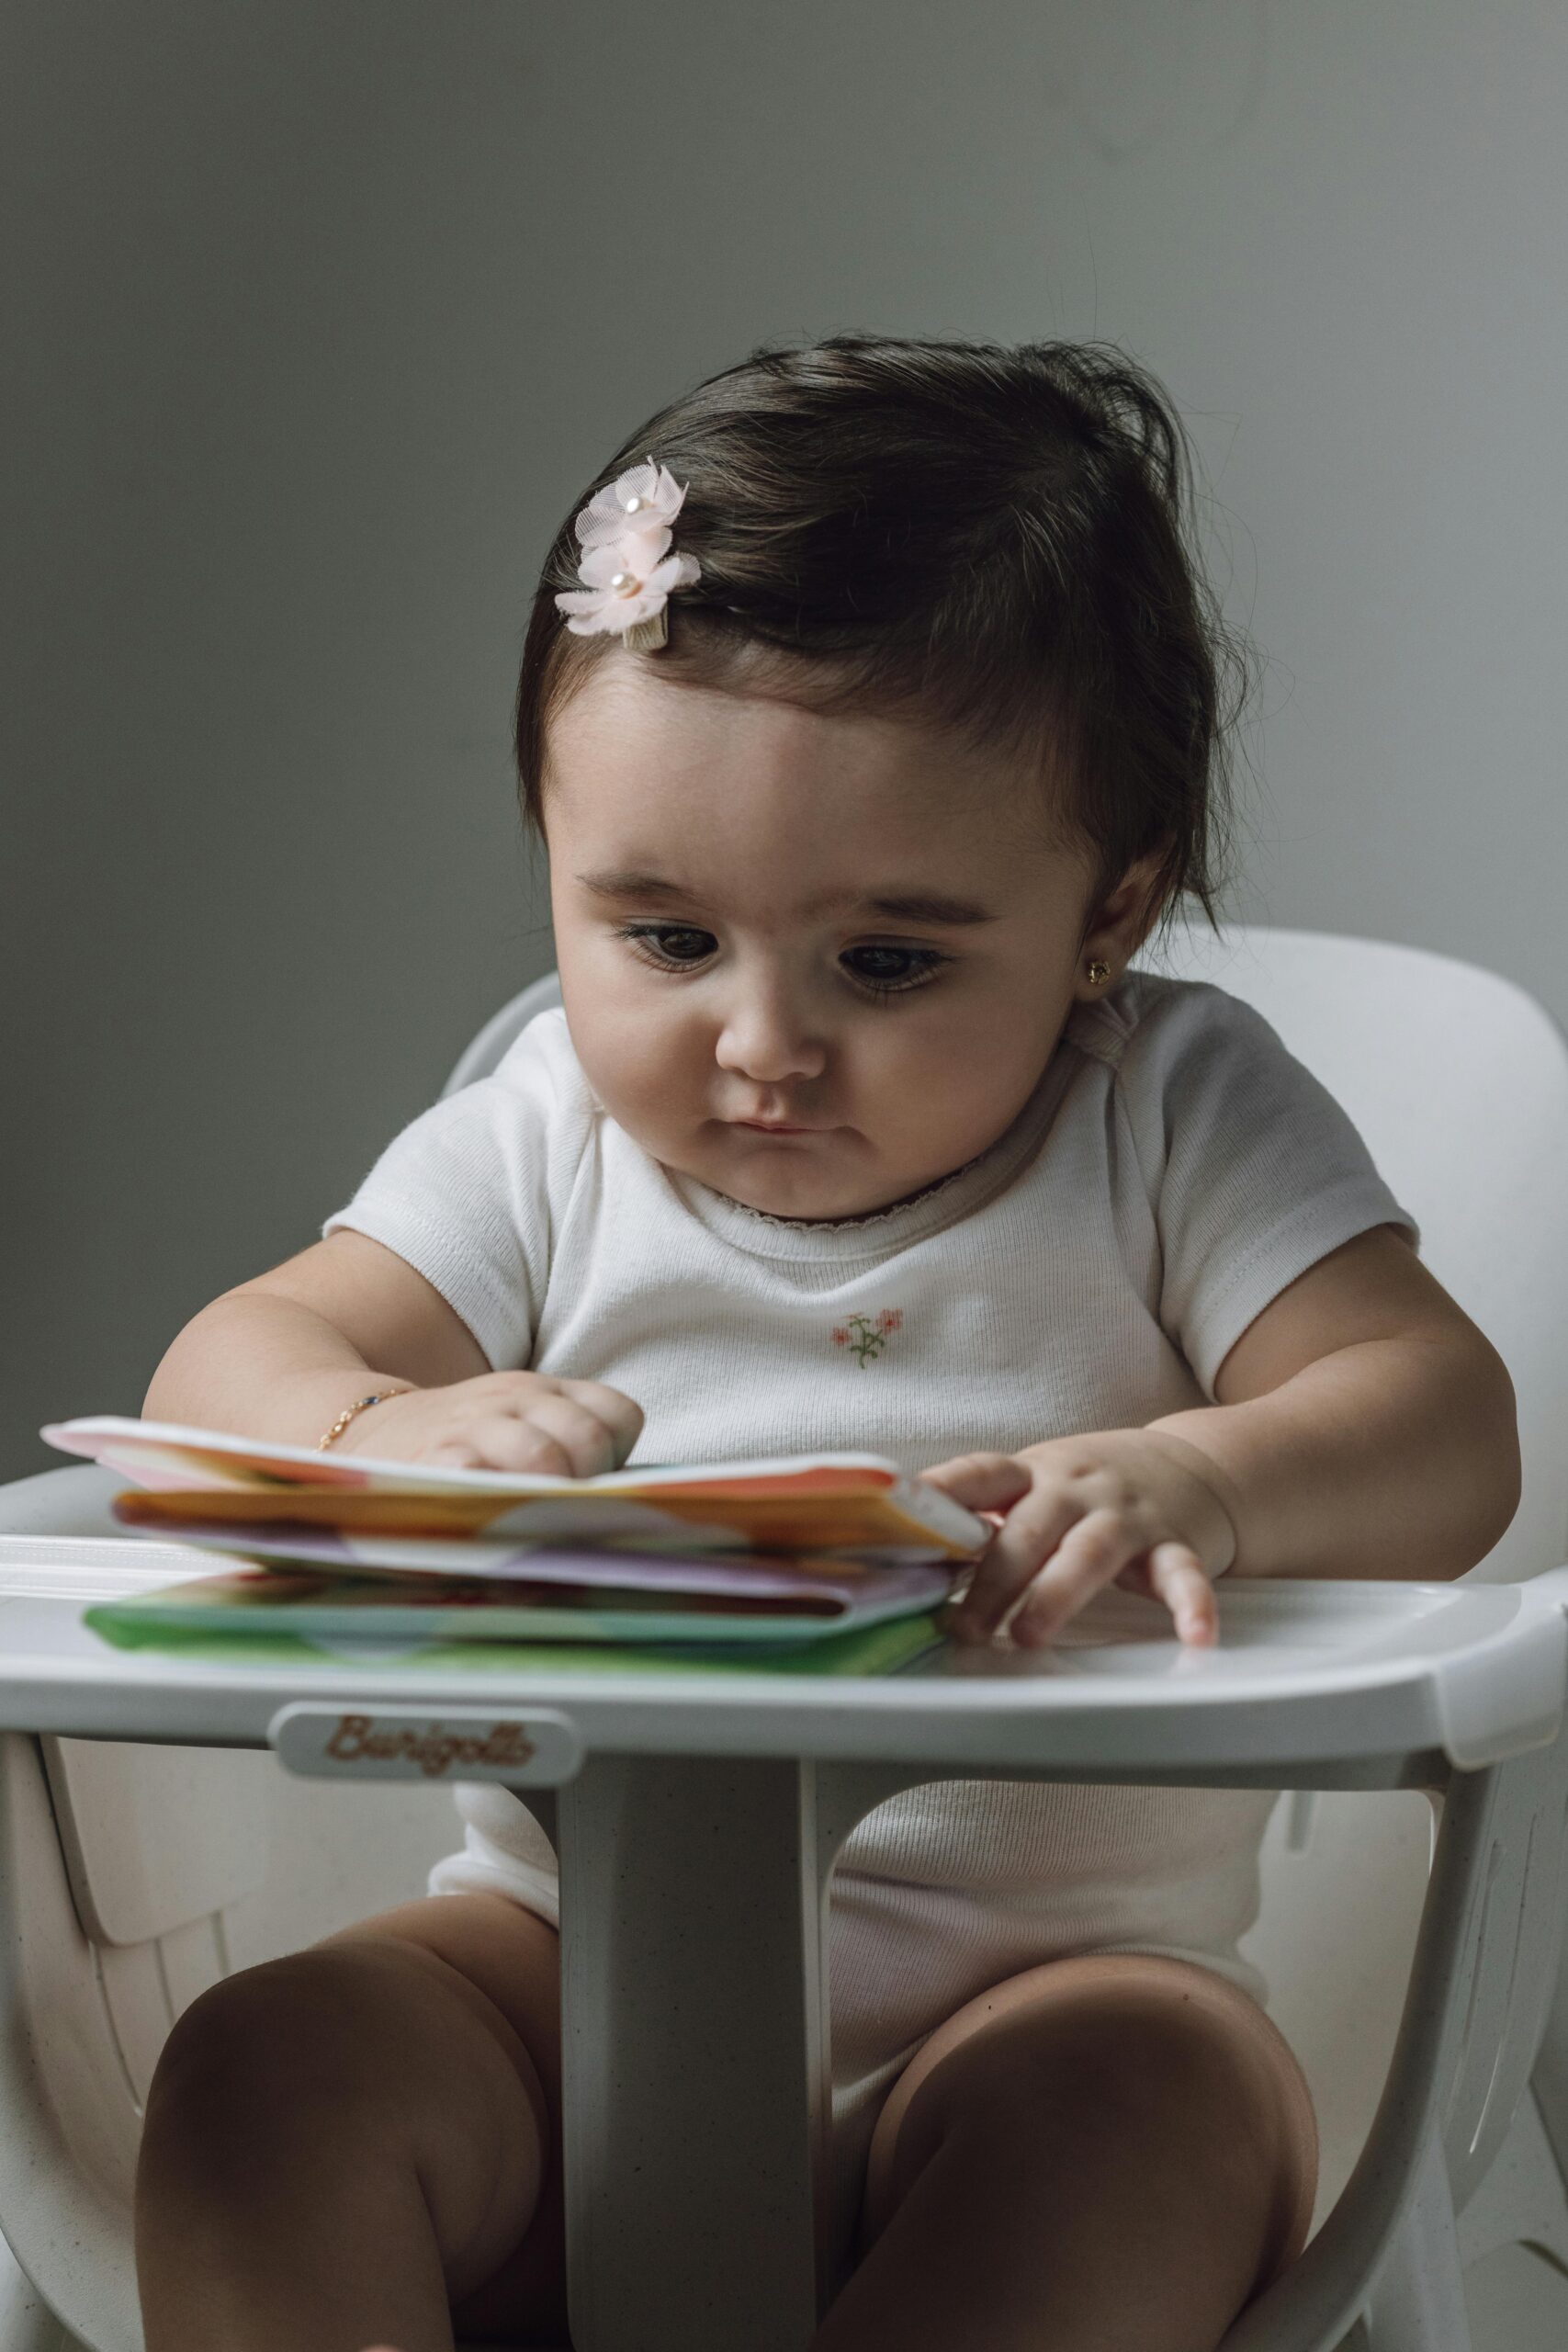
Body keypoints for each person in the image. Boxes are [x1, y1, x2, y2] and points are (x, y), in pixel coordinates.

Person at [132, 334, 1520, 2352]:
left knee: (1130, 2113)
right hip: (558, 1973)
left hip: (1051, 1978)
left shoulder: (1166, 1114)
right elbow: (225, 1360)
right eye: (663, 935)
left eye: (886, 957)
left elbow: (1442, 1422)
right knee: (267, 2077)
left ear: (1106, 911)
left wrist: (1206, 1470)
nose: (759, 1041)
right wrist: (381, 1420)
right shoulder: (544, 1128)